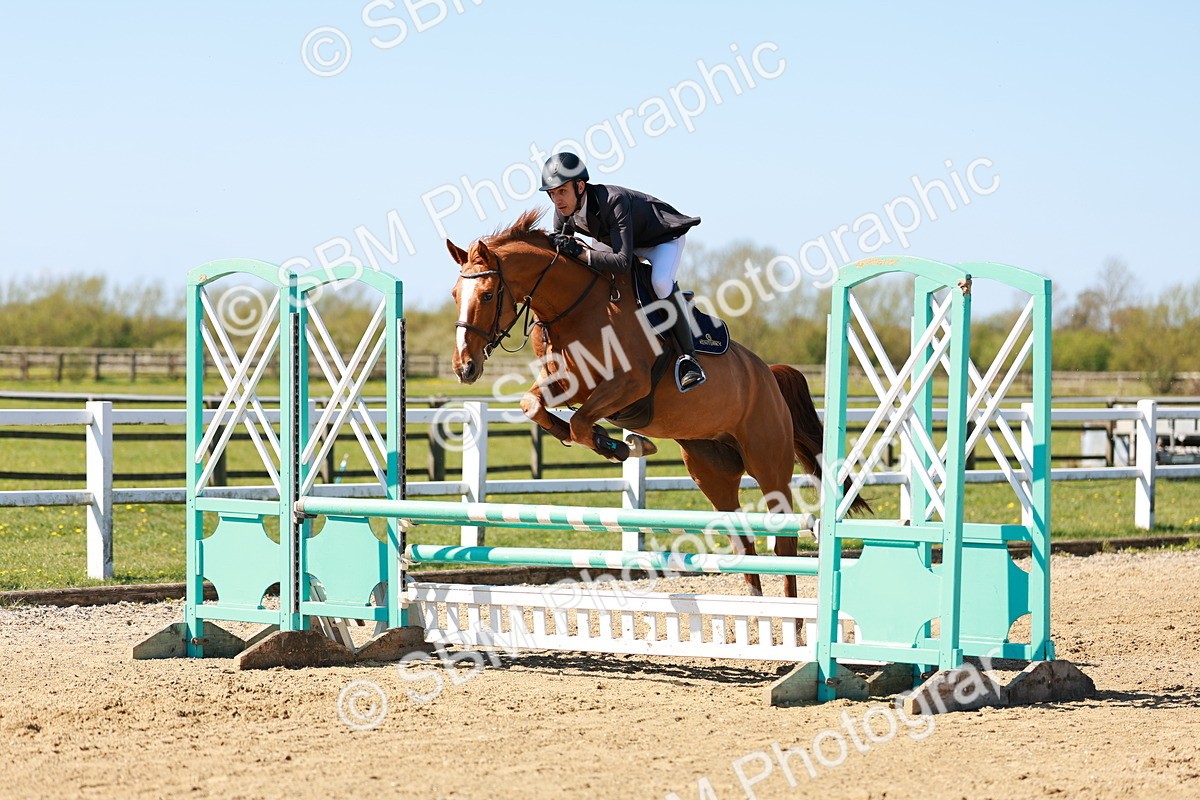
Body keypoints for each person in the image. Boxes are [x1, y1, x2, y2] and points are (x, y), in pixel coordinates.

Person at [539, 152, 706, 391]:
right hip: (620, 241)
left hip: (660, 239)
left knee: (660, 283)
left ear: (580, 186)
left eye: (562, 191)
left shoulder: (613, 201)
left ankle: (688, 359)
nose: (557, 200)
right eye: (552, 194)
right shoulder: (563, 210)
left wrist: (582, 254)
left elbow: (622, 262)